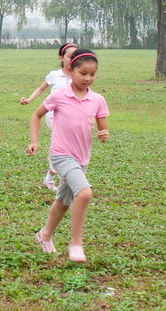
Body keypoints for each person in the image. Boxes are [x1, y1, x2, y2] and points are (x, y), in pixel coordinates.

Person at [27, 49, 109, 263]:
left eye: (92, 74)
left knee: (64, 201)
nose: (88, 78)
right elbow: (36, 115)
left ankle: (44, 235)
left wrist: (103, 134)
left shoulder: (98, 100)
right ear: (70, 71)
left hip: (82, 158)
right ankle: (76, 243)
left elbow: (103, 129)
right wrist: (34, 141)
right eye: (83, 73)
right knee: (85, 193)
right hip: (61, 155)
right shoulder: (59, 96)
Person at [20, 43, 79, 190]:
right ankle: (63, 177)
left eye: (76, 56)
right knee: (64, 147)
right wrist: (29, 99)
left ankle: (50, 177)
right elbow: (41, 89)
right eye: (69, 56)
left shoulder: (79, 75)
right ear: (61, 57)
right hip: (54, 117)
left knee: (68, 148)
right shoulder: (54, 75)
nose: (73, 59)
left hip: (73, 118)